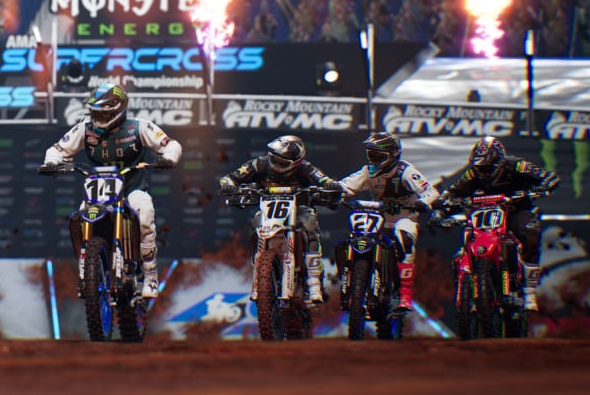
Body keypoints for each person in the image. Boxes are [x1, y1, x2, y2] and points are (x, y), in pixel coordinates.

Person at [38, 84, 182, 299]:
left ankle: (150, 274)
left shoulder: (139, 127)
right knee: (80, 218)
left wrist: (169, 158)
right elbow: (57, 149)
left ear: (118, 110)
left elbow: (171, 144)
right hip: (99, 192)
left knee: (144, 214)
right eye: (95, 112)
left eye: (103, 113)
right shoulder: (84, 129)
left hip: (132, 188)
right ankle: (86, 272)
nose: (98, 117)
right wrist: (52, 162)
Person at [435, 136, 559, 311]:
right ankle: (468, 288)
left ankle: (529, 291)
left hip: (516, 210)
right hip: (485, 214)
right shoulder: (472, 173)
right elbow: (452, 192)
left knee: (529, 232)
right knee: (465, 241)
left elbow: (548, 177)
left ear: (500, 162)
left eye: (487, 168)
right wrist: (441, 207)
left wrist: (538, 189)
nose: (484, 172)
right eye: (480, 168)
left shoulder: (516, 165)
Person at [218, 135, 342, 305]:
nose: (276, 165)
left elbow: (325, 180)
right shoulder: (259, 164)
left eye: (282, 163)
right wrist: (229, 186)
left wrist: (331, 187)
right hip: (268, 208)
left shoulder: (306, 168)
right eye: (274, 159)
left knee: (310, 224)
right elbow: (230, 178)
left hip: (298, 209)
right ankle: (260, 274)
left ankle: (313, 281)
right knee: (256, 222)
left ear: (296, 162)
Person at [338, 131, 439, 311]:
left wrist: (423, 202)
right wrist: (333, 190)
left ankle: (405, 295)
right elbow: (346, 185)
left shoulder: (406, 171)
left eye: (378, 156)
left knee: (404, 238)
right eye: (371, 155)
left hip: (405, 217)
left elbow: (431, 192)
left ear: (393, 156)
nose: (374, 161)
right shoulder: (368, 171)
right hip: (379, 218)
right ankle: (351, 284)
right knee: (354, 238)